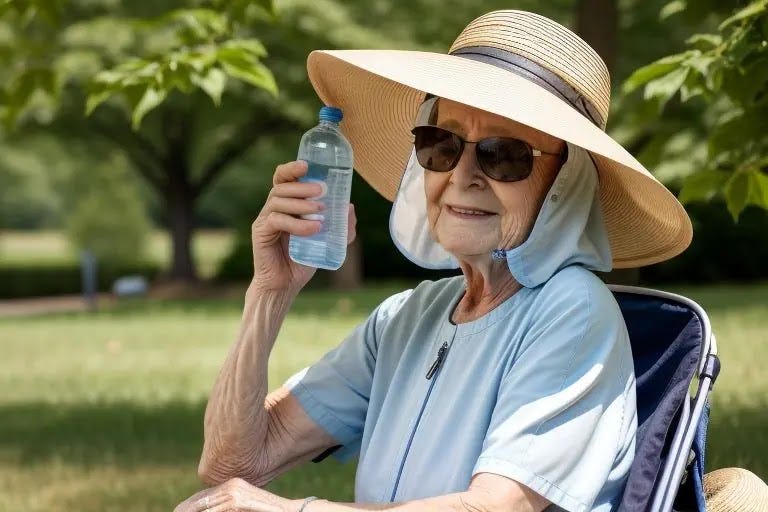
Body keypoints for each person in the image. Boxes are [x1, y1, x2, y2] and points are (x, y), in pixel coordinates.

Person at [174, 9, 692, 512]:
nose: (462, 174)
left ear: (565, 183)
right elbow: (232, 465)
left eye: (503, 154)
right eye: (440, 144)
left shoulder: (572, 310)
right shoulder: (406, 316)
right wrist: (270, 291)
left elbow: (494, 509)